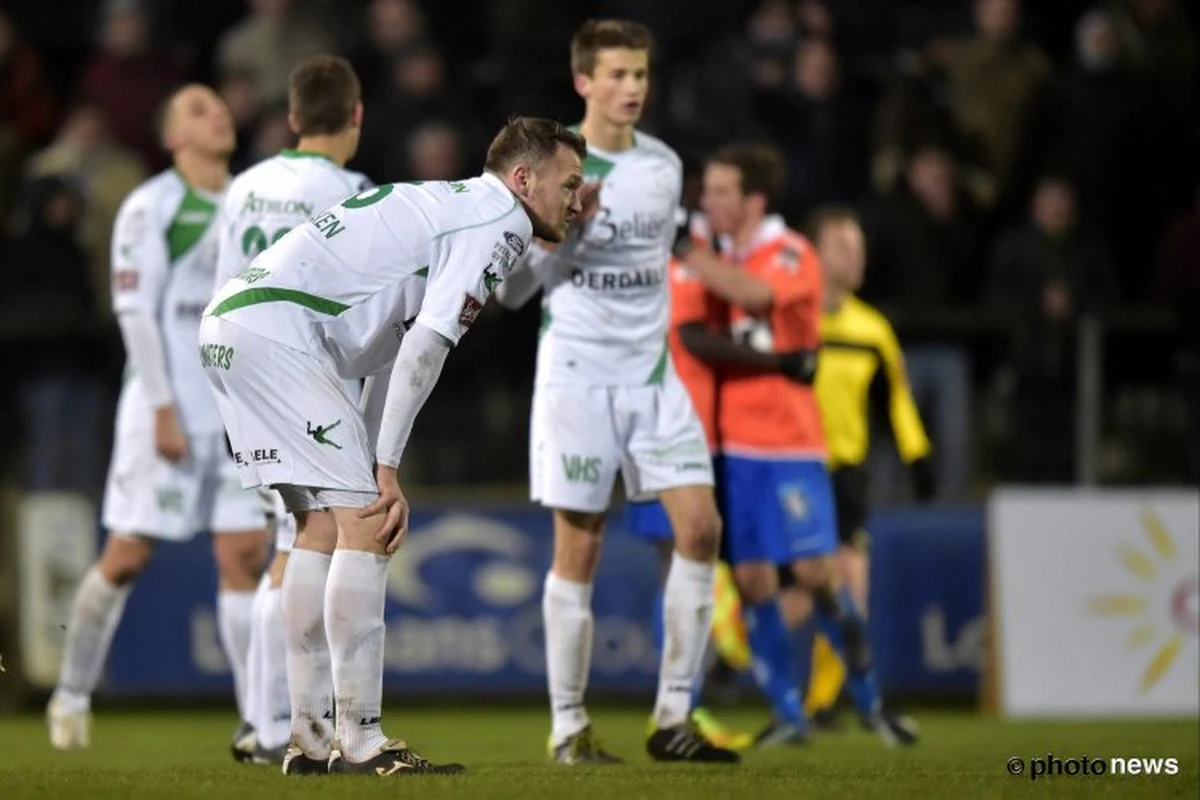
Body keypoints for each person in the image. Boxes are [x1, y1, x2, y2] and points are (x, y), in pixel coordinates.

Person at [201, 116, 586, 776]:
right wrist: (386, 466)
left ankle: (308, 739)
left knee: (316, 529)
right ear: (524, 179)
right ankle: (362, 740)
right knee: (370, 526)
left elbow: (381, 348)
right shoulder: (500, 222)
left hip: (233, 327)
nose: (576, 201)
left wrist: (374, 454)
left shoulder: (446, 203)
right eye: (569, 184)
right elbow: (426, 346)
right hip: (276, 335)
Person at [494, 20, 739, 765]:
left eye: (640, 73)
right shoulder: (548, 164)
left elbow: (672, 253)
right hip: (577, 378)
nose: (633, 87)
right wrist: (566, 228)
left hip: (653, 378)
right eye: (618, 75)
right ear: (583, 83)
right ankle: (569, 728)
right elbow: (508, 292)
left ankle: (672, 721)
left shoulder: (664, 166)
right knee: (582, 545)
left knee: (700, 529)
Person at [47, 85, 268, 753]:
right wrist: (164, 409)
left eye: (219, 105)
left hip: (233, 413)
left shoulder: (250, 201)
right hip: (162, 409)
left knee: (243, 556)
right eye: (198, 109)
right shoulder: (152, 206)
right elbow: (137, 313)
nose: (218, 114)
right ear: (172, 137)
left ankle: (258, 721)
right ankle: (71, 694)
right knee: (125, 558)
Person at [675, 144, 918, 747]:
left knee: (816, 570)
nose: (709, 202)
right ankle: (788, 714)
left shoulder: (788, 252)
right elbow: (696, 333)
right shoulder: (719, 257)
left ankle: (871, 703)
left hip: (789, 444)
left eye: (722, 192)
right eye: (707, 192)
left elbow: (754, 297)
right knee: (755, 582)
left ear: (754, 201)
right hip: (731, 446)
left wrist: (683, 249)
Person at [212, 54, 372, 764]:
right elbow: (358, 305)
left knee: (289, 543)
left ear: (292, 118)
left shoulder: (243, 186)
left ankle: (262, 718)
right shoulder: (351, 190)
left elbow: (226, 286)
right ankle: (276, 721)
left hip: (243, 371)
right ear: (356, 116)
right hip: (311, 381)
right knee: (311, 541)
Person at [795, 206, 935, 725]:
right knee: (799, 589)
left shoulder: (872, 329)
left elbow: (897, 398)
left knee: (849, 582)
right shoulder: (793, 316)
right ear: (814, 253)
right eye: (844, 246)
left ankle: (830, 697)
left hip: (845, 473)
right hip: (789, 468)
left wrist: (917, 455)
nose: (857, 257)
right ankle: (730, 663)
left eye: (859, 247)